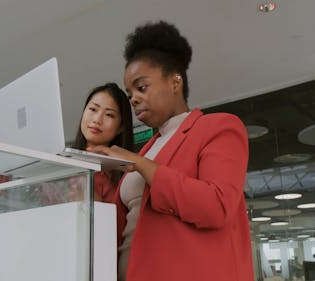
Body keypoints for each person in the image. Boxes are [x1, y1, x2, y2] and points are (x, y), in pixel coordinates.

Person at [88, 21, 253, 280]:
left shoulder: (218, 127)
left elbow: (216, 205)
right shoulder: (148, 149)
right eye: (130, 93)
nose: (133, 99)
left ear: (175, 82)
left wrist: (142, 165)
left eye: (141, 87)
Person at [0, 82, 134, 203]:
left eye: (109, 115)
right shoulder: (58, 162)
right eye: (93, 109)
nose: (97, 119)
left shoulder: (122, 176)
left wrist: (87, 201)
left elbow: (107, 234)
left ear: (121, 127)